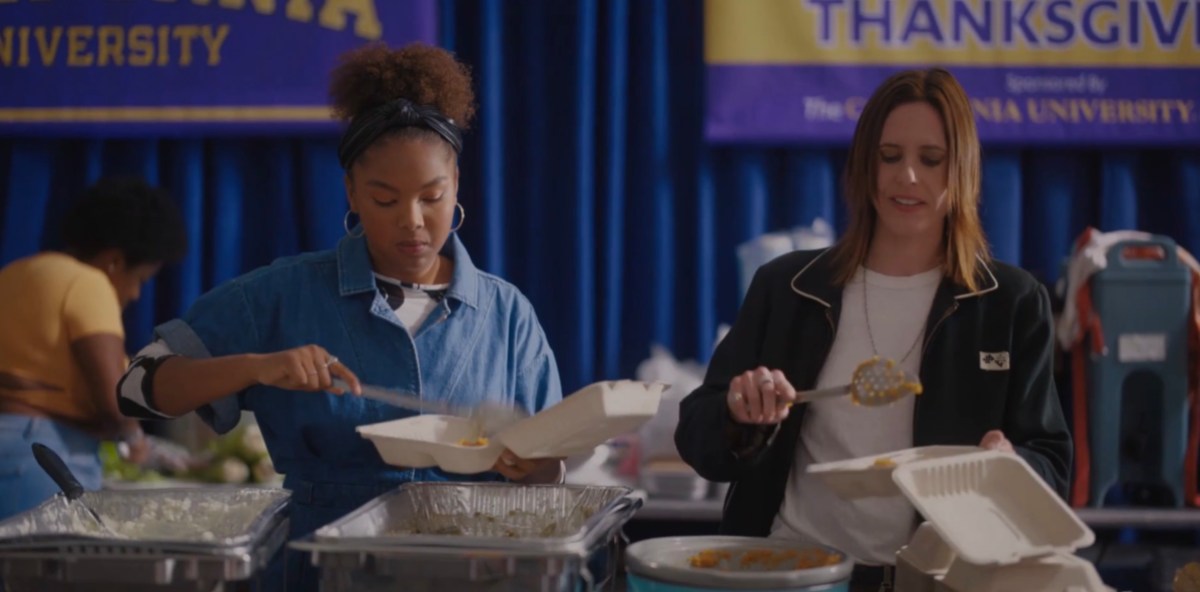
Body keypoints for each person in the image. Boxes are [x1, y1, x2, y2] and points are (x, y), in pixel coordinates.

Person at [117, 42, 564, 591]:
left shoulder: (507, 313)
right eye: (384, 200)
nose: (413, 222)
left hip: (474, 571)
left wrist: (537, 465)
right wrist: (255, 367)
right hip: (322, 571)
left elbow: (551, 470)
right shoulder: (282, 293)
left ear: (457, 189)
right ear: (351, 191)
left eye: (432, 197)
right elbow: (136, 388)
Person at [674, 68, 1071, 592]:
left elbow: (1053, 465)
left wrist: (1011, 467)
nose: (907, 176)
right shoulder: (788, 287)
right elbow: (697, 436)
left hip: (935, 580)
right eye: (890, 157)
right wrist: (737, 414)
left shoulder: (1010, 302)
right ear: (865, 166)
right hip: (793, 576)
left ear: (963, 172)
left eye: (931, 160)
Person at [0, 177, 188, 520]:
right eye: (140, 280)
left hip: (11, 447)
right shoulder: (90, 283)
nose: (135, 295)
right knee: (43, 573)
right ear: (115, 261)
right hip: (40, 458)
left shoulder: (15, 273)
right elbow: (117, 403)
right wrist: (140, 443)